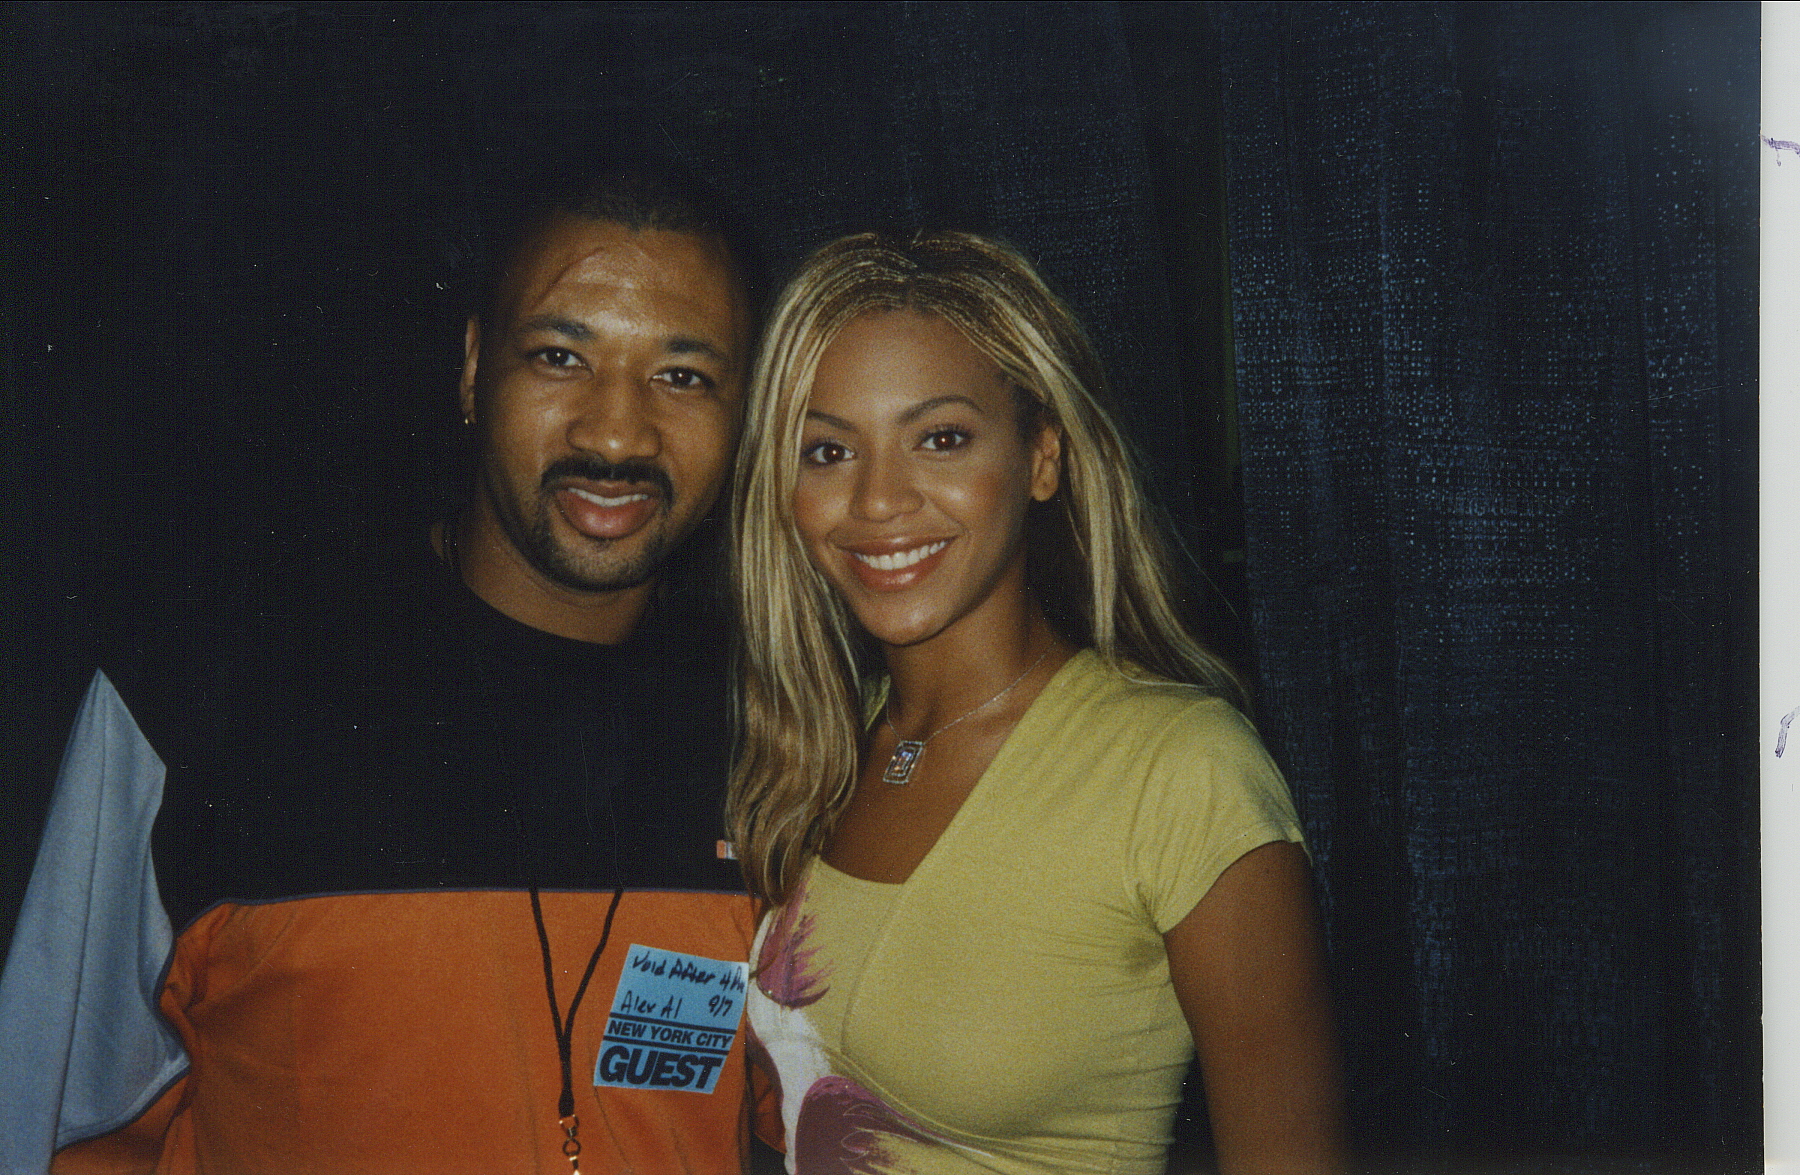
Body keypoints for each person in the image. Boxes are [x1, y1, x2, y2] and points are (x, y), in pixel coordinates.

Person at [0, 164, 772, 1174]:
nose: (616, 432)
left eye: (683, 375)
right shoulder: (211, 690)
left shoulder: (780, 727)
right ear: (470, 367)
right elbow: (45, 1105)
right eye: (558, 355)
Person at [728, 231, 1348, 1174]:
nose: (879, 498)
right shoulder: (817, 745)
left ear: (1042, 457)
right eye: (827, 448)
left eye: (940, 438)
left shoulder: (1181, 771)